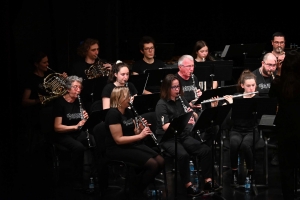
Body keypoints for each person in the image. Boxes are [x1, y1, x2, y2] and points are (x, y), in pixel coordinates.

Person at [155, 74, 221, 197]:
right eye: (173, 87)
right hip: (167, 138)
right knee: (183, 155)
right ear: (166, 88)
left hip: (182, 136)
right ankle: (188, 185)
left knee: (205, 150)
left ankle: (208, 181)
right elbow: (165, 127)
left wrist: (193, 116)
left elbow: (192, 115)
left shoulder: (181, 99)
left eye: (178, 87)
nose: (177, 90)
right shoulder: (161, 105)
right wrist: (184, 122)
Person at [104, 86, 164, 198]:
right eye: (128, 96)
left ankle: (134, 186)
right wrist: (140, 136)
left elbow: (134, 133)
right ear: (120, 98)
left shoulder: (128, 111)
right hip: (117, 148)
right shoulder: (113, 114)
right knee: (153, 164)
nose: (130, 99)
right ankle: (135, 192)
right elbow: (118, 140)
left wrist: (140, 129)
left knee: (160, 160)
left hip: (130, 144)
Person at [53, 75, 96, 191]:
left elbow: (82, 122)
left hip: (76, 132)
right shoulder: (60, 103)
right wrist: (75, 127)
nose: (78, 90)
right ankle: (76, 178)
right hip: (63, 134)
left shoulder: (79, 102)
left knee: (92, 140)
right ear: (68, 88)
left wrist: (85, 119)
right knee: (79, 148)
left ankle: (90, 175)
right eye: (75, 87)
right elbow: (57, 127)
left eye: (80, 88)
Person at [269, 50, 300, 200]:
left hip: (285, 128)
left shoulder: (277, 83)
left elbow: (270, 101)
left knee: (286, 166)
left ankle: (288, 196)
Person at [228, 70, 260, 187]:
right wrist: (231, 104)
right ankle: (234, 172)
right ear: (242, 86)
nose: (251, 88)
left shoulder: (258, 99)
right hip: (236, 130)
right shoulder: (236, 98)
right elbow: (229, 120)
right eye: (248, 86)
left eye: (253, 85)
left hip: (252, 130)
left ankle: (251, 172)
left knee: (245, 145)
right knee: (234, 144)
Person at [70, 38, 112, 111]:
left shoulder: (103, 63)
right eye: (93, 50)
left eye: (97, 49)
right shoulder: (78, 67)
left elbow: (110, 81)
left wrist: (112, 71)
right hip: (84, 100)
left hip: (101, 98)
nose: (96, 52)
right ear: (86, 51)